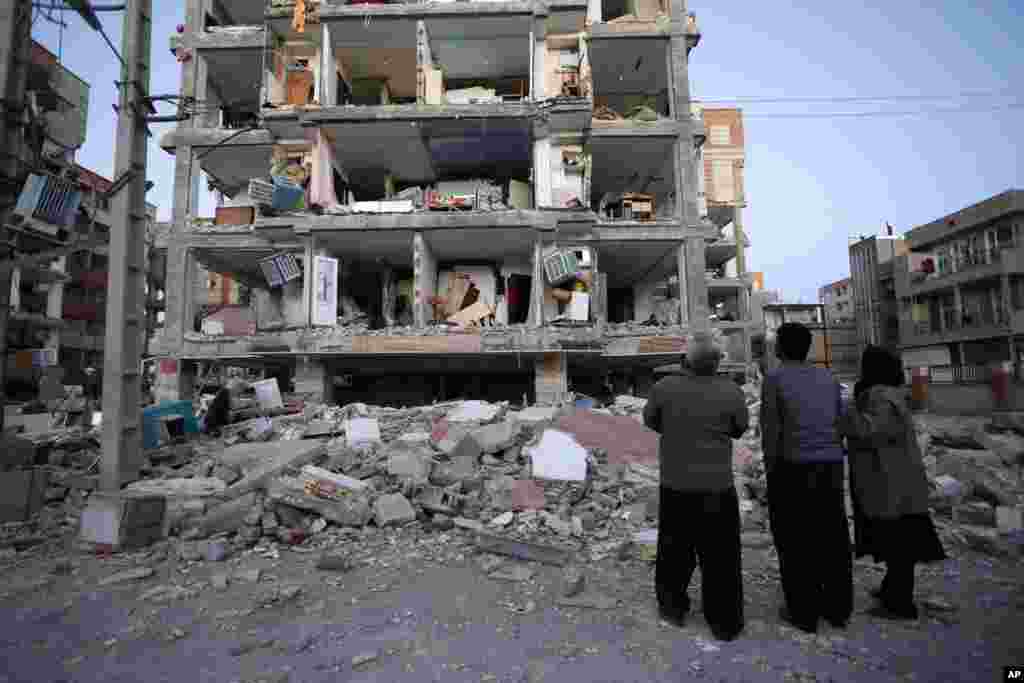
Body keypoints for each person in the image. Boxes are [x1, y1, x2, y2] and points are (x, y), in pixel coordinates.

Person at [643, 332, 749, 641]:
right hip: (718, 487)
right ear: (718, 362)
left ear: (685, 359)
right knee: (722, 557)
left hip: (676, 486)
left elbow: (651, 421)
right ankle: (725, 622)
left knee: (674, 551)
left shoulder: (664, 388)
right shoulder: (731, 391)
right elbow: (739, 429)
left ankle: (672, 608)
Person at [839, 345, 946, 620]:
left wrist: (846, 409)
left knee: (899, 544)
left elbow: (869, 431)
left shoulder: (882, 397)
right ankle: (893, 590)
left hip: (891, 483)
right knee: (898, 542)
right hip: (894, 480)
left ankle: (900, 603)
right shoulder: (888, 394)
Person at [761, 322, 852, 633]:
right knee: (833, 537)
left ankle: (804, 611)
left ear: (781, 348)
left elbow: (771, 431)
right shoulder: (828, 377)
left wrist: (772, 472)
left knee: (795, 539)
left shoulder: (774, 379)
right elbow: (841, 422)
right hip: (830, 466)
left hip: (793, 467)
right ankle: (838, 609)